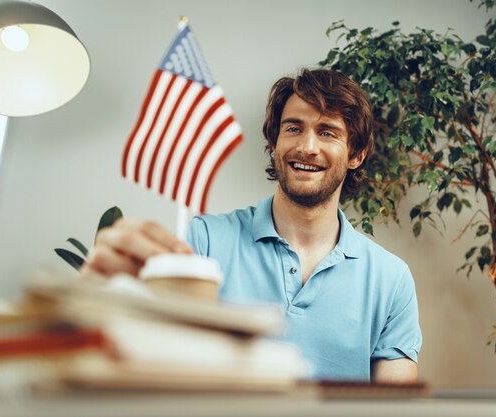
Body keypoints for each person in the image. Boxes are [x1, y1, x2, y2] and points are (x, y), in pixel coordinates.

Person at [83, 68, 422, 383]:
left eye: (327, 132)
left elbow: (394, 407)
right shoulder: (202, 241)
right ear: (275, 142)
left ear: (356, 154)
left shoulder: (391, 278)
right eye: (293, 128)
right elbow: (150, 358)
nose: (307, 147)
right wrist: (105, 296)